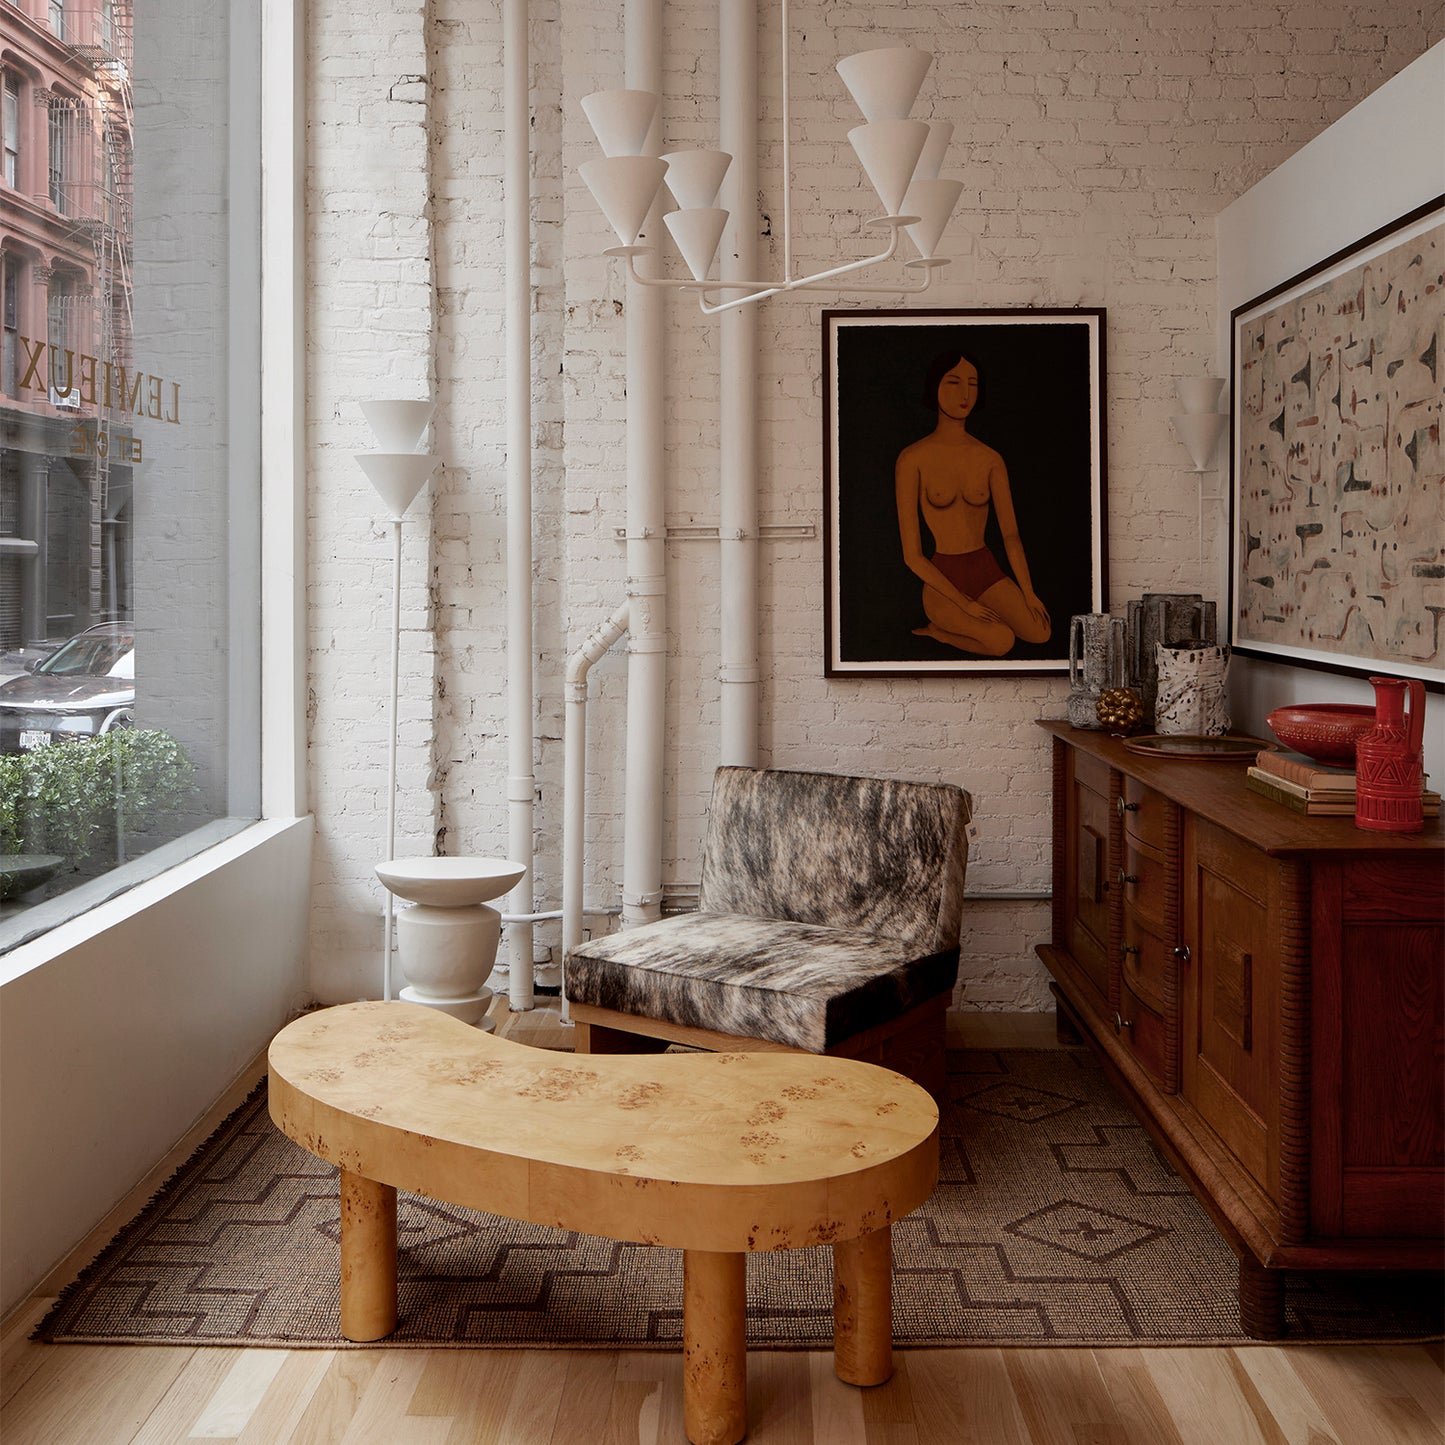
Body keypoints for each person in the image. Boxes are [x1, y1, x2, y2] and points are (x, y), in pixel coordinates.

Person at [894, 351, 1051, 656]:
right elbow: (912, 556)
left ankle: (966, 622)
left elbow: (1010, 536)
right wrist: (964, 603)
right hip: (943, 578)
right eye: (953, 382)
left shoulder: (990, 459)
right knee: (1002, 641)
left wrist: (1029, 593)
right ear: (934, 387)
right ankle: (941, 632)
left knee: (1041, 632)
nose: (965, 394)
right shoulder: (912, 459)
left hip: (986, 569)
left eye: (973, 383)